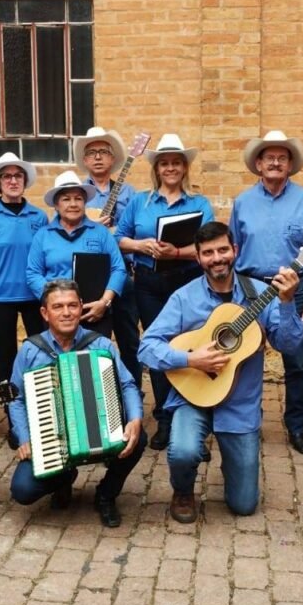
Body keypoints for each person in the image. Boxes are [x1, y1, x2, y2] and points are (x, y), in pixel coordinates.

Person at [138, 221, 303, 523]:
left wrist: (287, 302)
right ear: (198, 257)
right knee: (182, 452)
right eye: (208, 253)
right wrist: (190, 360)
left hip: (240, 403)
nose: (217, 258)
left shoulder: (260, 293)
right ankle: (183, 490)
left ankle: (234, 462)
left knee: (244, 505)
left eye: (223, 250)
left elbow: (289, 345)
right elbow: (146, 347)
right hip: (193, 395)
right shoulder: (184, 298)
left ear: (234, 250)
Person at [8, 280, 144, 528]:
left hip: (101, 430)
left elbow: (127, 384)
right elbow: (16, 398)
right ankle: (63, 477)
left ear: (81, 307)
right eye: (58, 307)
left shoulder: (101, 345)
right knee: (23, 489)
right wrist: (24, 437)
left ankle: (106, 494)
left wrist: (135, 419)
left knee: (138, 437)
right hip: (51, 438)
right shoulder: (30, 350)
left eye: (72, 305)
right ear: (44, 313)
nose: (66, 312)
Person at [115, 133, 214, 450]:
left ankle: (194, 422)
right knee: (158, 346)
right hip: (149, 284)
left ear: (185, 168)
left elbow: (209, 246)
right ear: (156, 169)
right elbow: (118, 238)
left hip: (188, 281)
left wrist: (178, 253)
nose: (170, 168)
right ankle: (165, 419)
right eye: (164, 163)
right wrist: (141, 245)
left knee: (190, 347)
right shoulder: (139, 202)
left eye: (176, 163)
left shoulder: (199, 204)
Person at [230, 130, 303, 455]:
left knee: (296, 362)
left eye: (281, 158)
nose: (275, 162)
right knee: (245, 359)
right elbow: (233, 247)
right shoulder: (242, 202)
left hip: (293, 289)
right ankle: (247, 421)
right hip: (250, 288)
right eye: (269, 157)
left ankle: (297, 427)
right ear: (258, 164)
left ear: (289, 164)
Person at [0, 152, 48, 446]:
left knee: (40, 355)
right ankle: (16, 422)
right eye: (7, 176)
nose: (13, 181)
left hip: (34, 296)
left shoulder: (38, 217)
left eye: (18, 176)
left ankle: (42, 415)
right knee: (6, 360)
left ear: (24, 181)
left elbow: (45, 258)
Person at [76, 126, 143, 390]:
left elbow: (136, 230)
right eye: (92, 152)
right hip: (90, 279)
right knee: (91, 340)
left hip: (123, 274)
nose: (98, 157)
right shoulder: (77, 193)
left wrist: (114, 234)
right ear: (85, 160)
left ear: (113, 158)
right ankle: (95, 394)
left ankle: (133, 392)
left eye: (103, 151)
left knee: (129, 340)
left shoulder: (129, 193)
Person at [26, 171, 126, 338]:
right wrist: (54, 300)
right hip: (58, 315)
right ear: (56, 205)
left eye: (78, 198)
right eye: (66, 199)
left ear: (84, 202)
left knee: (96, 354)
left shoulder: (101, 233)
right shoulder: (43, 236)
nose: (73, 204)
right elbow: (33, 273)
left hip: (95, 312)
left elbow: (118, 269)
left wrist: (105, 302)